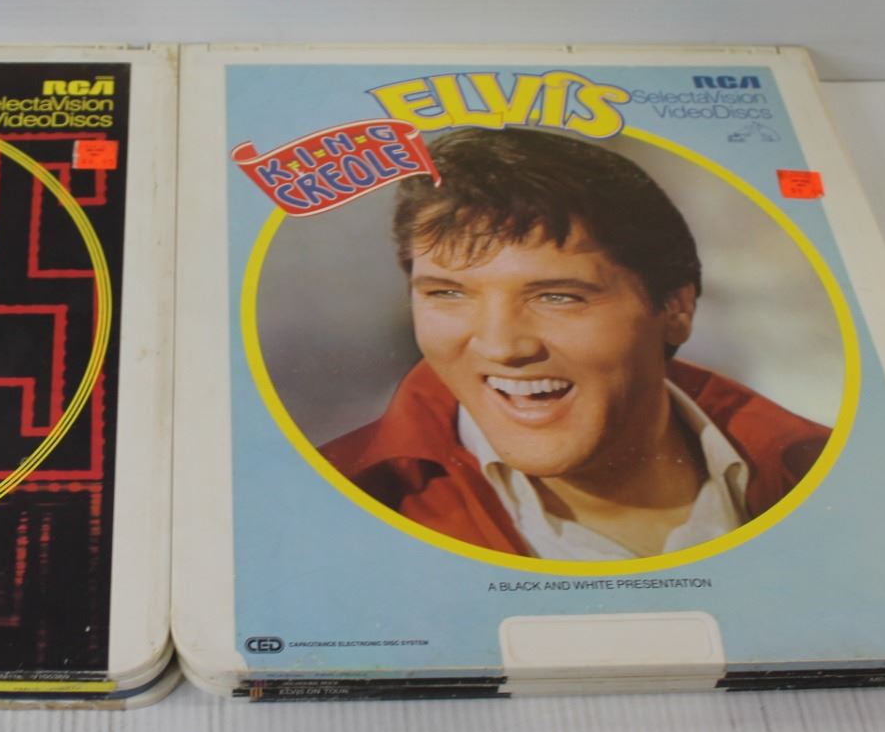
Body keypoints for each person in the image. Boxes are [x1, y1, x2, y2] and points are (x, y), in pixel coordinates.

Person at [319, 128, 831, 561]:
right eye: (448, 294)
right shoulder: (337, 500)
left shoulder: (824, 470)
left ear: (675, 310)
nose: (501, 346)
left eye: (557, 297)